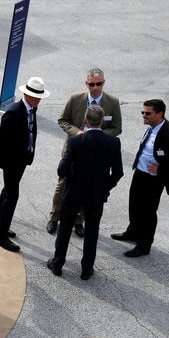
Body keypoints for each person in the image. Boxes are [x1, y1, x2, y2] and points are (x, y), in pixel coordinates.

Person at [46, 105, 124, 281]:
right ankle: (86, 269)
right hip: (96, 196)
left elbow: (62, 169)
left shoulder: (75, 142)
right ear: (103, 121)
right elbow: (118, 173)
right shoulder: (113, 143)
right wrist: (105, 187)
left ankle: (57, 264)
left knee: (65, 229)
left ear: (85, 121)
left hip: (73, 192)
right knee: (92, 231)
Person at [46, 68, 123, 237]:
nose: (95, 88)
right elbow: (62, 120)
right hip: (75, 149)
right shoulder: (75, 99)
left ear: (104, 82)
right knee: (63, 184)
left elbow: (117, 128)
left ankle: (79, 221)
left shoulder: (112, 102)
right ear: (86, 83)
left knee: (87, 187)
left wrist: (98, 135)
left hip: (95, 153)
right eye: (91, 84)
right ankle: (54, 217)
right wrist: (78, 133)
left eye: (99, 84)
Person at [110, 99, 169, 257]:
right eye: (142, 112)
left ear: (159, 113)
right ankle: (132, 232)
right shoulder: (152, 128)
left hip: (154, 179)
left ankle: (144, 245)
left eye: (148, 113)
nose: (144, 115)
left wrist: (160, 169)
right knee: (134, 205)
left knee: (148, 212)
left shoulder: (168, 135)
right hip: (140, 173)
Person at [0, 76, 49, 252]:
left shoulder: (31, 109)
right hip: (11, 160)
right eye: (36, 97)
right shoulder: (15, 111)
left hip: (21, 158)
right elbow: (2, 131)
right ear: (28, 96)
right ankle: (1, 235)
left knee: (7, 191)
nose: (38, 101)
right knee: (12, 195)